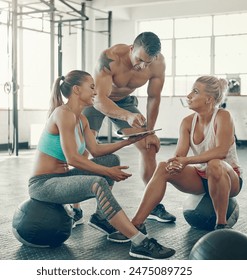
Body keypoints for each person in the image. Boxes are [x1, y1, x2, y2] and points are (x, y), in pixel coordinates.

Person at [28, 70, 175, 259]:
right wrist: (107, 172)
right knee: (98, 182)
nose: (96, 92)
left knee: (111, 160)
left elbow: (96, 150)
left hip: (61, 179)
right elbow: (73, 158)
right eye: (91, 87)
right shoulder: (63, 114)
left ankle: (100, 217)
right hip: (43, 185)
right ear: (76, 90)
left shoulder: (81, 119)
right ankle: (139, 242)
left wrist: (128, 141)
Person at [107, 75, 243, 242]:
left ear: (209, 99)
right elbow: (180, 155)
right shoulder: (187, 122)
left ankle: (221, 226)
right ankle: (136, 225)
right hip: (202, 178)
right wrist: (175, 164)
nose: (188, 96)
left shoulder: (223, 116)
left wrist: (186, 161)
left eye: (195, 91)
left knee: (215, 164)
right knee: (164, 166)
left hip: (229, 178)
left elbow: (221, 151)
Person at [82, 31, 176, 223]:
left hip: (124, 103)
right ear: (131, 49)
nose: (142, 66)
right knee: (82, 149)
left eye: (147, 63)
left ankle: (152, 206)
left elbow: (153, 97)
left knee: (149, 147)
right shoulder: (110, 58)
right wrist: (127, 115)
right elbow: (99, 99)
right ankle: (74, 208)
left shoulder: (158, 64)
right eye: (139, 59)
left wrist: (149, 131)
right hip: (95, 100)